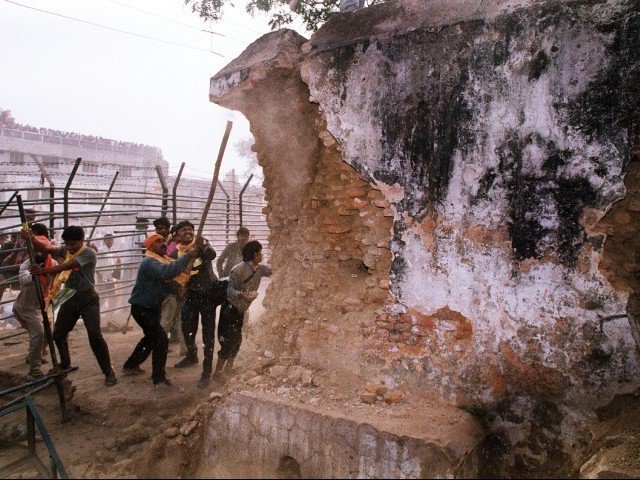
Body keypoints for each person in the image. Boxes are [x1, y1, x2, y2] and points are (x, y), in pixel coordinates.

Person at [29, 225, 117, 387]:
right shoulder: (66, 250)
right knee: (59, 334)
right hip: (69, 295)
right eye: (67, 244)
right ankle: (65, 364)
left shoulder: (88, 252)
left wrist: (44, 270)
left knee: (95, 336)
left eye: (73, 244)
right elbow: (47, 247)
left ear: (82, 241)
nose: (69, 247)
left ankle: (109, 372)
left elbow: (66, 266)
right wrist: (30, 237)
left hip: (88, 298)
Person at [122, 233, 200, 387]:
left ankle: (130, 365)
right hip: (142, 308)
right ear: (150, 247)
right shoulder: (150, 262)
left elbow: (169, 279)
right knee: (161, 338)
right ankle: (158, 378)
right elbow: (168, 272)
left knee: (150, 338)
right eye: (158, 242)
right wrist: (187, 257)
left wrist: (178, 289)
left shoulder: (163, 260)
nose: (163, 244)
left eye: (163, 241)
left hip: (152, 307)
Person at [171, 221, 223, 388]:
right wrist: (178, 289)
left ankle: (206, 372)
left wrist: (202, 246)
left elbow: (212, 255)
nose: (188, 231)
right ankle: (191, 355)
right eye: (183, 229)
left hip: (207, 295)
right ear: (177, 235)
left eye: (190, 229)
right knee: (187, 328)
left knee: (208, 334)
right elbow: (171, 273)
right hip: (190, 296)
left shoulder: (201, 244)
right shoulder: (175, 253)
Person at [213, 240, 272, 382]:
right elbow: (230, 290)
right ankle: (217, 373)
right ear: (254, 254)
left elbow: (273, 272)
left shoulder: (260, 269)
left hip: (241, 309)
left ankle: (229, 367)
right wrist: (242, 294)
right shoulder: (238, 269)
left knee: (237, 339)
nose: (261, 255)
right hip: (230, 308)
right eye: (259, 252)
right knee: (227, 341)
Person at [12, 224, 55, 378]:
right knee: (38, 333)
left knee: (49, 331)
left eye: (41, 250)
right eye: (35, 250)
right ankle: (34, 368)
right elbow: (24, 281)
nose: (38, 252)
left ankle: (35, 355)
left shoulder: (53, 264)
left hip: (40, 306)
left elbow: (59, 279)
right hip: (25, 308)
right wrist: (36, 273)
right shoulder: (27, 265)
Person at [152, 217, 185, 355]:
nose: (160, 231)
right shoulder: (157, 242)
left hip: (175, 284)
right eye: (158, 228)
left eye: (162, 228)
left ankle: (163, 346)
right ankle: (159, 346)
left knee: (175, 318)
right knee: (166, 318)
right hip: (165, 285)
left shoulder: (172, 244)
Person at [1, 209, 37, 302]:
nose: (29, 220)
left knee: (24, 290)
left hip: (27, 267)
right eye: (27, 217)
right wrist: (5, 262)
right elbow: (15, 251)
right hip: (17, 266)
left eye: (31, 217)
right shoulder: (20, 234)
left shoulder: (36, 232)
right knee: (1, 281)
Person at [97, 233, 121, 311]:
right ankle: (98, 313)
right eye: (109, 239)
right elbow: (95, 263)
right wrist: (99, 275)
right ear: (104, 240)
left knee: (112, 295)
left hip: (110, 277)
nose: (110, 241)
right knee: (102, 297)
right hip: (102, 276)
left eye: (112, 240)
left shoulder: (112, 251)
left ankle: (110, 313)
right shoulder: (101, 250)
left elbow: (114, 263)